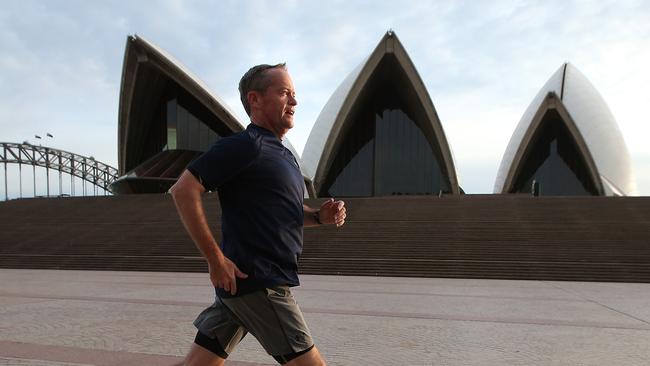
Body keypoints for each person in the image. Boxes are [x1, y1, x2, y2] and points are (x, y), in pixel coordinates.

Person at [169, 63, 346, 366]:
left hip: (241, 287)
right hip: (260, 282)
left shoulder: (283, 155)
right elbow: (183, 190)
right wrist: (215, 259)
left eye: (294, 94)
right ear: (255, 99)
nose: (294, 101)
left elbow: (285, 213)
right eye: (284, 92)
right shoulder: (246, 145)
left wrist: (319, 216)